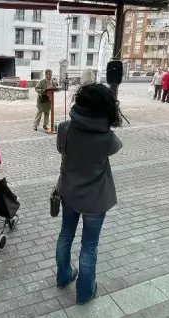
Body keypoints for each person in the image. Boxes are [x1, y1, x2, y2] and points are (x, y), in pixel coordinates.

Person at [55, 84, 122, 304]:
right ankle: (84, 292)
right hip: (95, 199)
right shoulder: (108, 139)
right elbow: (117, 147)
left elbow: (61, 150)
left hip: (69, 193)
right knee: (89, 246)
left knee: (65, 236)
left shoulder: (64, 128)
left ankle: (64, 276)